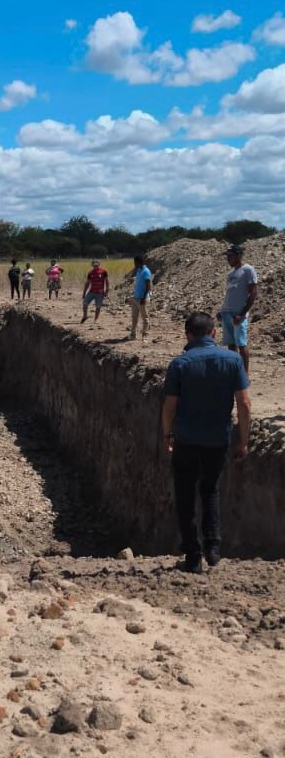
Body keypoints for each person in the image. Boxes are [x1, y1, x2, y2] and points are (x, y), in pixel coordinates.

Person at [162, 312, 251, 573]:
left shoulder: (179, 365)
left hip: (187, 440)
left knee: (185, 494)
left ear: (187, 336)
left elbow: (170, 406)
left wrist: (167, 434)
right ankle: (213, 547)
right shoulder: (233, 360)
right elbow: (245, 403)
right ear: (214, 333)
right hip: (217, 440)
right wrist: (243, 441)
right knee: (210, 490)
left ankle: (192, 554)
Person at [219, 244, 258, 374]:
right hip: (227, 312)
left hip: (238, 313)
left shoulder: (248, 269)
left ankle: (245, 375)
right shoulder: (231, 273)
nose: (228, 259)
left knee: (241, 344)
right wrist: (222, 310)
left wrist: (242, 313)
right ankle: (233, 372)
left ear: (239, 255)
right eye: (227, 256)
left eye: (230, 256)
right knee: (231, 344)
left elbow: (253, 293)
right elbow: (230, 294)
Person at [130, 255, 152, 341]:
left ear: (139, 262)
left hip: (142, 298)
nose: (134, 264)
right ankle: (133, 335)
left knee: (145, 318)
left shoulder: (146, 271)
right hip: (136, 297)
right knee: (134, 317)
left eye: (135, 263)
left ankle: (144, 335)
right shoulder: (139, 271)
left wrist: (143, 298)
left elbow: (148, 286)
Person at [81, 259, 109, 323]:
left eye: (96, 264)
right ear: (92, 265)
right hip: (91, 291)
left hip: (100, 292)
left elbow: (107, 281)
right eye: (94, 264)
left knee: (98, 306)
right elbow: (87, 283)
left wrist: (107, 290)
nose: (95, 265)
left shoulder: (103, 271)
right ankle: (85, 316)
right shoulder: (90, 273)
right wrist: (84, 293)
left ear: (99, 264)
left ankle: (96, 319)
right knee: (85, 303)